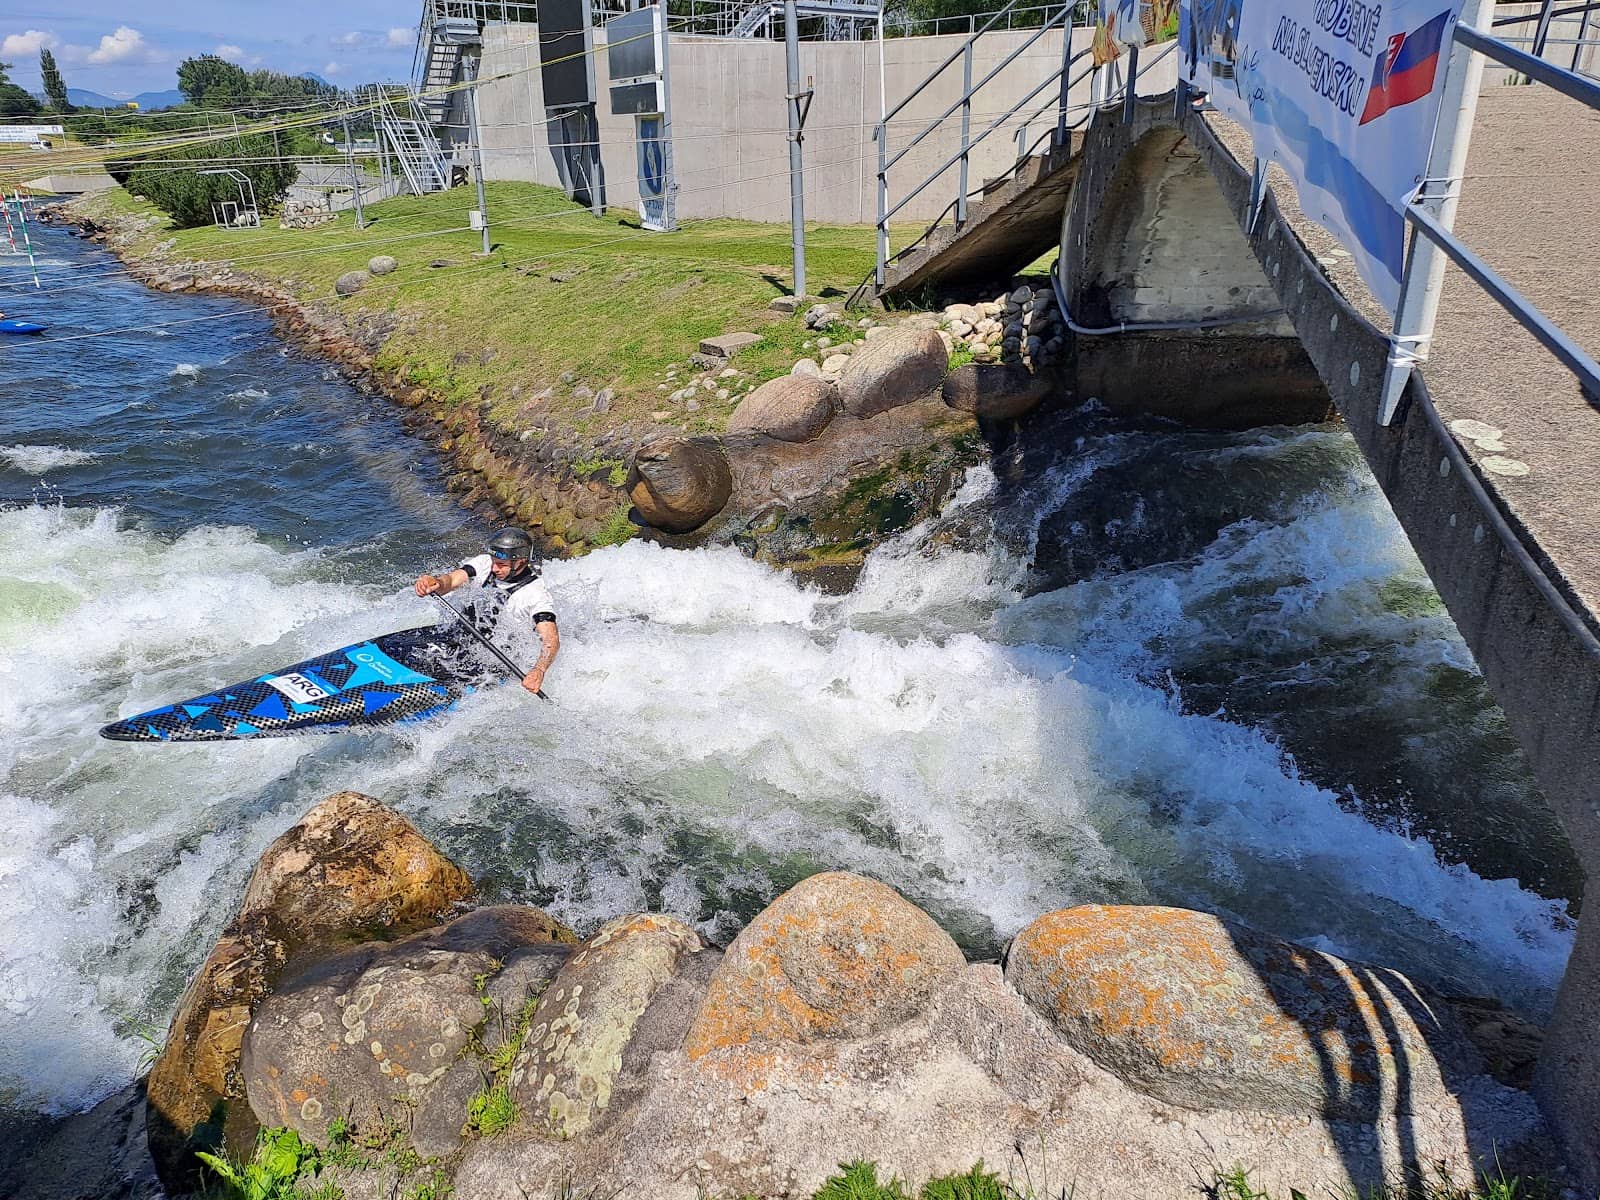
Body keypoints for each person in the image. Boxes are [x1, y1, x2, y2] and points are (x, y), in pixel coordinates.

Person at [414, 527, 559, 695]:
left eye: (502, 565)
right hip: (463, 638)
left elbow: (551, 639)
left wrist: (539, 670)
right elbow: (452, 580)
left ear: (520, 562)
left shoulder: (536, 594)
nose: (495, 568)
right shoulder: (485, 563)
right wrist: (436, 583)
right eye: (494, 561)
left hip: (495, 659)